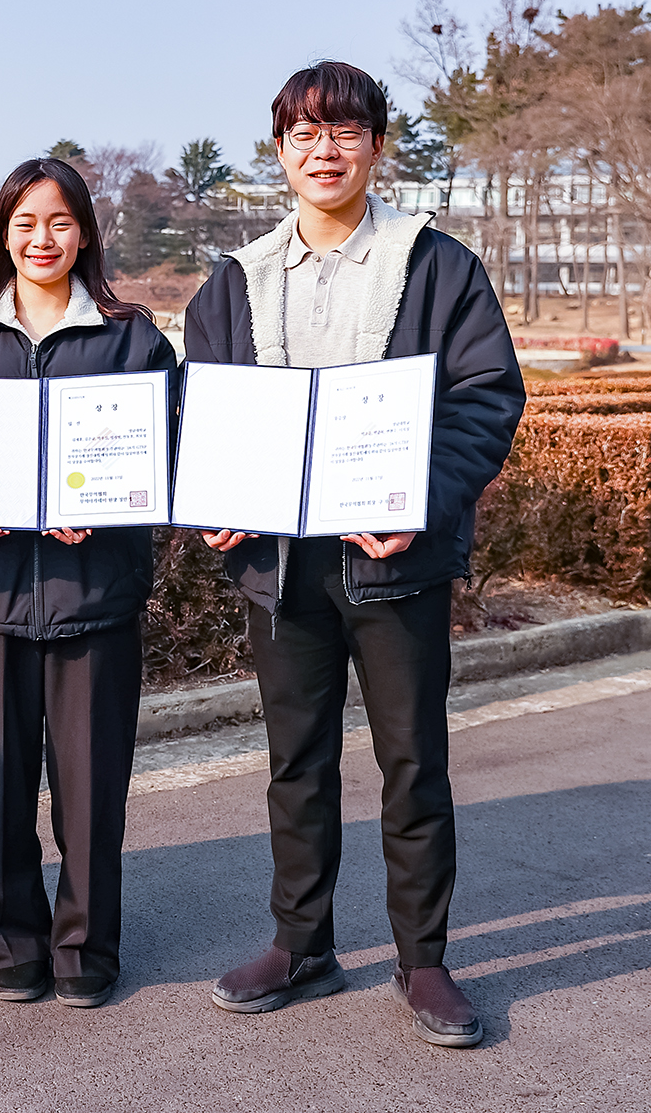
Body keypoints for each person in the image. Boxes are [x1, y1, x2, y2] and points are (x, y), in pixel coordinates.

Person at [183, 60, 524, 1048]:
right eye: (301, 133)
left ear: (376, 146)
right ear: (278, 150)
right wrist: (210, 495)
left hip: (394, 559)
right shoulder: (235, 279)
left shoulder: (435, 266)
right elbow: (201, 411)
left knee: (411, 763)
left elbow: (483, 399)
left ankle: (421, 961)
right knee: (295, 765)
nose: (321, 150)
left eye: (343, 132)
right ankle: (300, 945)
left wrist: (416, 500)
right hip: (281, 567)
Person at [0, 158, 176, 1009]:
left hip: (94, 592)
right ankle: (6, 938)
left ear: (85, 233)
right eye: (26, 222)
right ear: (3, 231)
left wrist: (109, 505)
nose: (42, 239)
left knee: (92, 784)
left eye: (60, 222)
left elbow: (168, 460)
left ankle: (86, 945)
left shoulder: (131, 335)